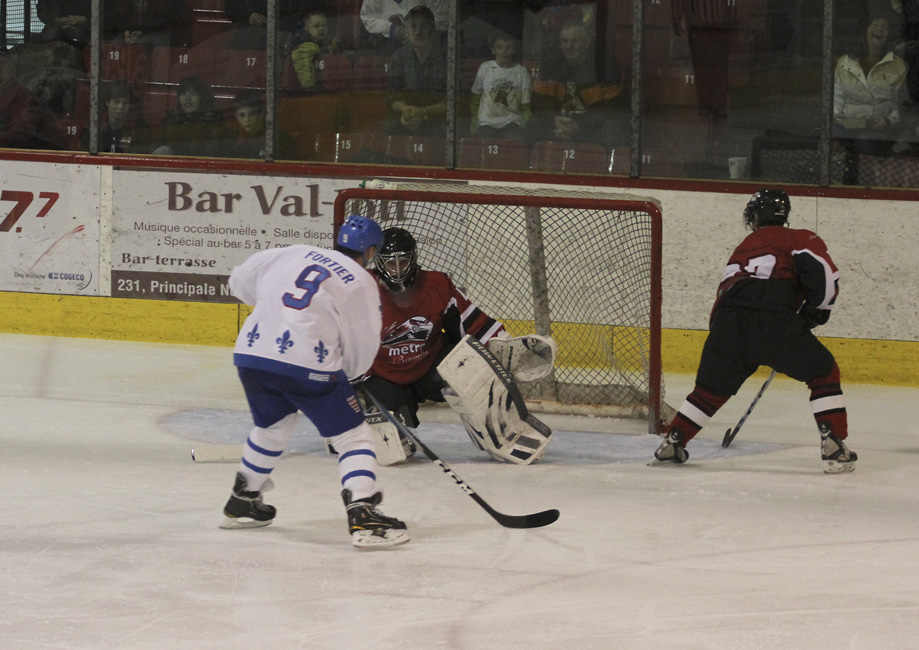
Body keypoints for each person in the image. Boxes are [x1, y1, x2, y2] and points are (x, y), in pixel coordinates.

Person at [219, 215, 409, 549]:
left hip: (252, 355)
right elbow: (363, 338)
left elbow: (239, 281)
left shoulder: (292, 252)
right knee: (353, 435)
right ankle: (363, 511)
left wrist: (277, 316)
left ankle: (243, 499)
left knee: (272, 427)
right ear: (370, 251)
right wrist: (353, 374)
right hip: (307, 363)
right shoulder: (360, 280)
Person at [652, 189, 857, 474]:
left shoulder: (745, 246)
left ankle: (673, 443)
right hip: (772, 314)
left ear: (757, 216)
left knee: (709, 391)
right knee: (824, 373)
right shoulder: (799, 237)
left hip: (728, 319)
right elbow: (824, 275)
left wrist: (723, 337)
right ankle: (833, 444)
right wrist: (816, 312)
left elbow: (725, 293)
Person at [358, 227, 554, 465]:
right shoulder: (361, 291)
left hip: (431, 368)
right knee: (392, 448)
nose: (397, 270)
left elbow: (472, 324)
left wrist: (500, 346)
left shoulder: (436, 284)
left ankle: (503, 435)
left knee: (471, 365)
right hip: (385, 377)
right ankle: (350, 425)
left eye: (403, 262)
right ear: (379, 263)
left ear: (414, 258)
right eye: (391, 263)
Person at [528, 17, 626, 148]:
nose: (569, 47)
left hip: (591, 129)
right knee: (532, 124)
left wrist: (580, 125)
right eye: (564, 41)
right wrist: (553, 120)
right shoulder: (549, 66)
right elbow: (537, 104)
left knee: (613, 129)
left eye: (574, 41)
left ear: (587, 42)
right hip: (559, 125)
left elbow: (613, 110)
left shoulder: (607, 67)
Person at [833, 11, 909, 149]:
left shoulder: (899, 66)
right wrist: (837, 125)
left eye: (885, 27)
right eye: (875, 25)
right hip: (846, 128)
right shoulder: (845, 62)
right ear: (865, 30)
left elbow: (901, 107)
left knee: (865, 141)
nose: (879, 29)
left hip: (878, 133)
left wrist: (887, 122)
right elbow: (836, 100)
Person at [384, 5, 447, 138]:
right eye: (413, 27)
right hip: (407, 116)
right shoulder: (399, 56)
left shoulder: (448, 57)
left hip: (437, 118)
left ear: (432, 29)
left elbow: (455, 101)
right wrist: (406, 111)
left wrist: (423, 112)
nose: (418, 32)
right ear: (406, 31)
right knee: (390, 125)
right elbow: (392, 96)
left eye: (423, 26)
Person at [470, 30, 531, 141]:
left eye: (508, 47)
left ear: (514, 49)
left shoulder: (521, 72)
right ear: (493, 50)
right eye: (499, 47)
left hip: (512, 122)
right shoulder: (485, 68)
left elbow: (525, 105)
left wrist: (525, 126)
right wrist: (474, 124)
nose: (504, 51)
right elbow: (475, 99)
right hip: (486, 122)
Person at [152, 76, 229, 156]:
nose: (187, 98)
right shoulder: (171, 120)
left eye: (193, 94)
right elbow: (157, 146)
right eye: (183, 94)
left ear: (202, 98)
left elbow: (212, 154)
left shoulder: (213, 121)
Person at [216, 88, 296, 160]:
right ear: (236, 116)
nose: (247, 120)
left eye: (252, 114)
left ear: (261, 113)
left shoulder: (280, 139)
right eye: (242, 115)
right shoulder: (231, 140)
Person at [81, 80, 154, 153]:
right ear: (107, 102)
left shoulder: (140, 128)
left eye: (125, 103)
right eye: (116, 102)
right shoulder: (93, 126)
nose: (120, 107)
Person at [290, 8, 342, 90]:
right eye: (316, 26)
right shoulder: (305, 47)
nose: (321, 29)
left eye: (324, 25)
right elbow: (302, 65)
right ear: (306, 29)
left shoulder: (327, 44)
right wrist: (310, 86)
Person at [360, 0, 447, 47]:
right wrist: (392, 29)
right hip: (389, 49)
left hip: (430, 49)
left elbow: (443, 20)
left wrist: (420, 30)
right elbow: (367, 18)